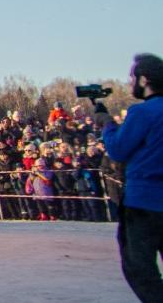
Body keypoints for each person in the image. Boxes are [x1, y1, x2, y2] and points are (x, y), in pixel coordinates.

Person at [98, 53, 163, 302]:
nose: (129, 83)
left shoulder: (142, 113)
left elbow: (118, 149)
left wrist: (107, 124)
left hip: (144, 201)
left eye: (132, 77)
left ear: (144, 80)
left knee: (139, 267)